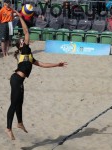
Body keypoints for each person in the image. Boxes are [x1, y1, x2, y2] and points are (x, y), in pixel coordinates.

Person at [5, 10, 68, 140]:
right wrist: (20, 16)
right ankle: (8, 128)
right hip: (16, 79)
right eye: (23, 40)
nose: (25, 39)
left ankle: (20, 123)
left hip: (19, 81)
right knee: (13, 103)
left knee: (20, 102)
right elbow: (26, 31)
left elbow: (42, 64)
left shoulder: (29, 56)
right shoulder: (25, 49)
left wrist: (57, 64)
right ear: (21, 44)